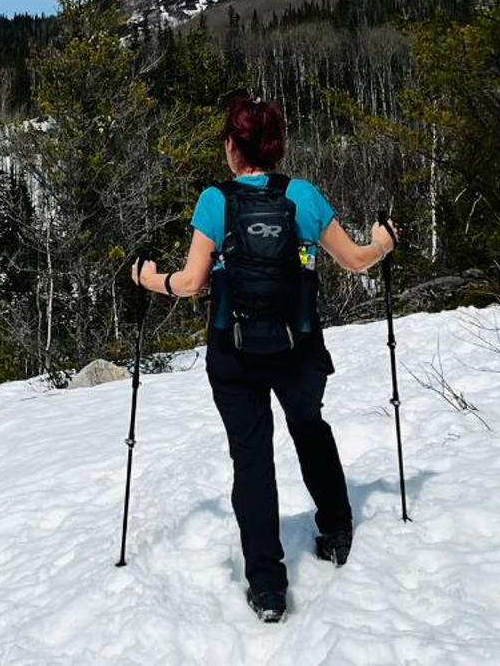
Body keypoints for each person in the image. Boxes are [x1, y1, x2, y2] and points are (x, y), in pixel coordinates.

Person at [132, 91, 394, 623]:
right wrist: (384, 242)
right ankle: (338, 530)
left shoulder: (215, 200)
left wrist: (146, 277)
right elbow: (357, 260)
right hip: (299, 347)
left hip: (234, 351)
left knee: (251, 459)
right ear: (276, 146)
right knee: (308, 427)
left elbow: (190, 283)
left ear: (233, 145)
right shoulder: (304, 195)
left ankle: (268, 586)